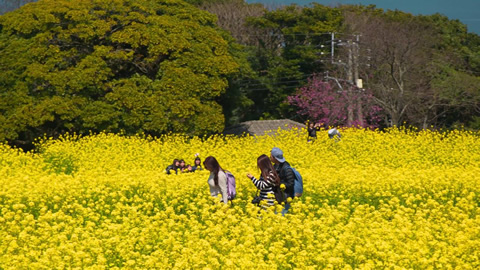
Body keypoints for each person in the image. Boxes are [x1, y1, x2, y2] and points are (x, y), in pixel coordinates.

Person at [270, 147, 295, 215]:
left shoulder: (287, 169)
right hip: (278, 198)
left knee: (281, 216)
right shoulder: (275, 166)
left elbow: (290, 184)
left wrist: (280, 184)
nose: (270, 157)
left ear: (274, 158)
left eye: (271, 156)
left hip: (285, 198)